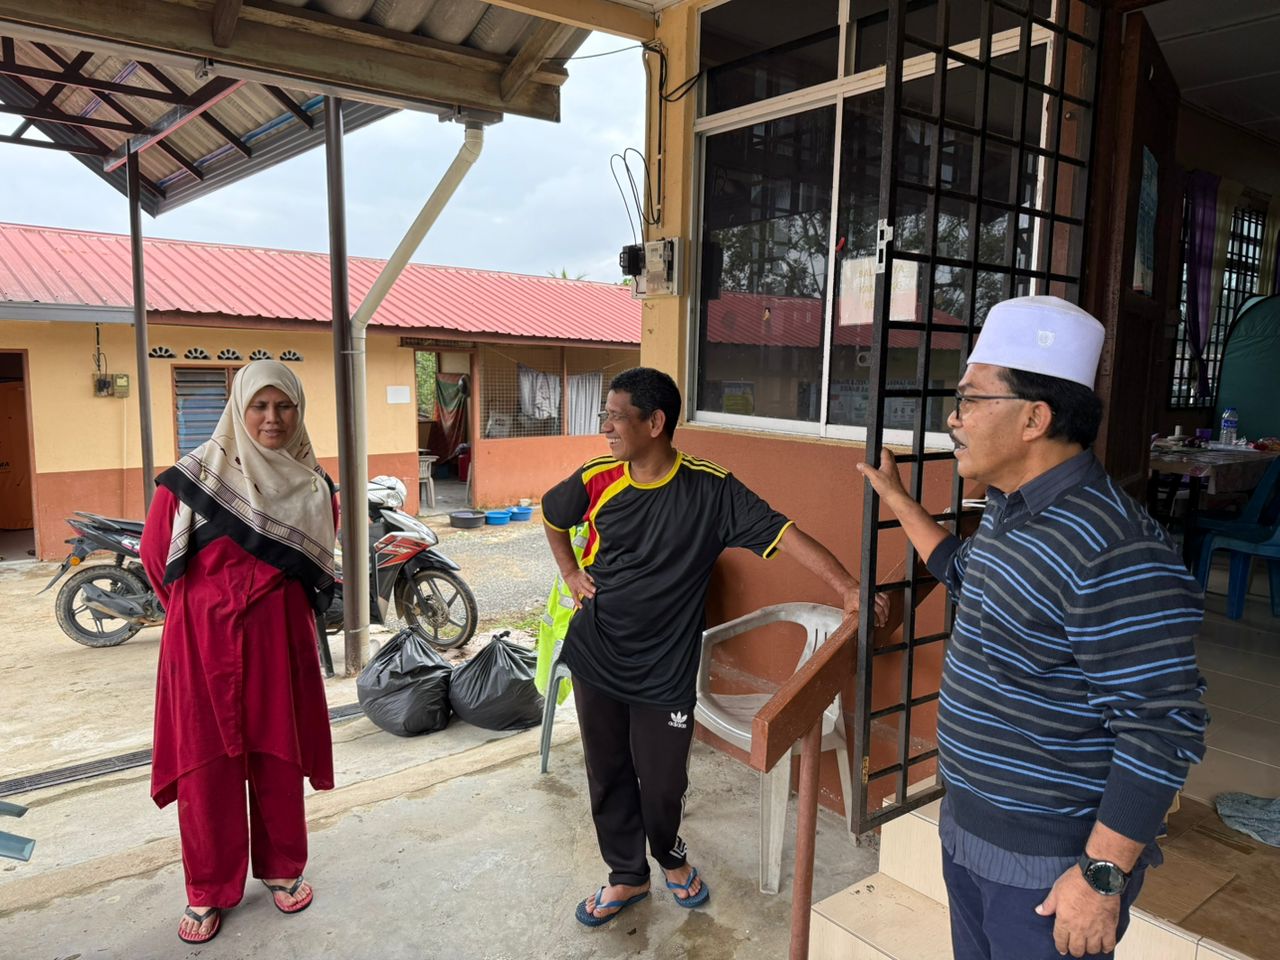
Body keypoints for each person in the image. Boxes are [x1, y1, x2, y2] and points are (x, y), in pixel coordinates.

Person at [856, 296, 1207, 960]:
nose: (953, 419)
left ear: (1035, 418)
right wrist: (900, 501)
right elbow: (970, 579)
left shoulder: (1113, 547)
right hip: (973, 832)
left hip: (1050, 873)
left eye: (970, 400)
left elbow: (1160, 726)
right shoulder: (1009, 508)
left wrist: (1102, 879)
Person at [541, 366, 889, 927]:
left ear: (655, 423)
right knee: (605, 772)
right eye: (604, 415)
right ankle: (626, 877)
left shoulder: (711, 489)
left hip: (665, 670)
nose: (604, 426)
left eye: (614, 416)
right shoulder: (598, 477)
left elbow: (784, 533)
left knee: (662, 782)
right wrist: (571, 572)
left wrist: (849, 588)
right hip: (597, 653)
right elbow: (553, 516)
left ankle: (670, 857)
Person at [139, 360, 338, 945]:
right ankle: (208, 888)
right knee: (206, 766)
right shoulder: (195, 476)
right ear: (238, 409)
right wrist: (206, 611)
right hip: (200, 642)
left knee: (278, 754)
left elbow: (314, 573)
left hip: (280, 639)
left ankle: (281, 867)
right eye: (260, 406)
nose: (272, 419)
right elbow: (157, 559)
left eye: (285, 407)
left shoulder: (313, 485)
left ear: (299, 412)